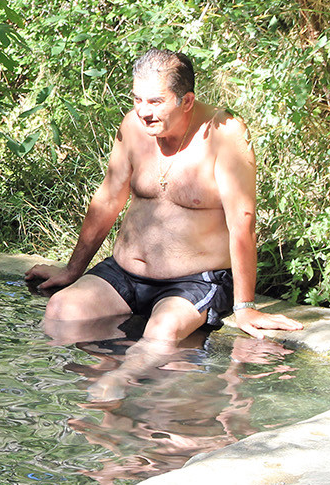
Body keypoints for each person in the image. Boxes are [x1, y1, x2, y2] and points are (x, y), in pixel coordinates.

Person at [25, 48, 304, 346]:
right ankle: (98, 387)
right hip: (125, 272)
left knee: (161, 335)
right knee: (61, 309)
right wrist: (72, 269)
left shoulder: (225, 134)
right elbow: (107, 200)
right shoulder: (133, 126)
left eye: (156, 102)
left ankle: (120, 384)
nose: (144, 112)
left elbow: (242, 222)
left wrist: (245, 307)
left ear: (187, 101)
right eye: (137, 99)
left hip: (194, 280)